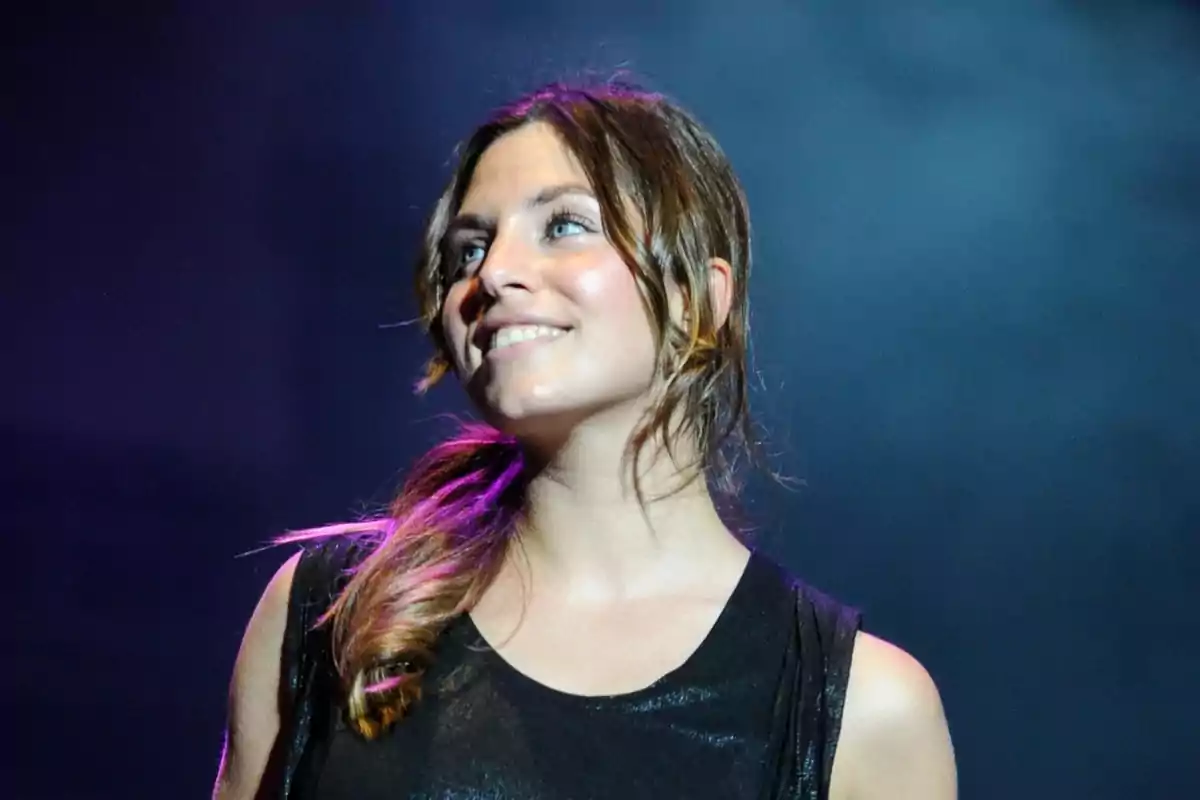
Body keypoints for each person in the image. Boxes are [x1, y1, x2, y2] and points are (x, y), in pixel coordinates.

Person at [212, 80, 956, 800]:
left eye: (564, 225)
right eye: (469, 249)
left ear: (700, 296)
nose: (494, 274)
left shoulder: (860, 710)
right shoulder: (332, 616)